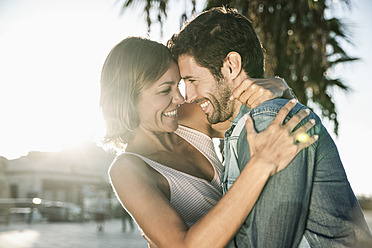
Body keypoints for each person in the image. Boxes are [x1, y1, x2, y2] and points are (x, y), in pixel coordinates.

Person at [167, 6, 372, 247]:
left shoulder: (270, 122)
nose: (188, 95)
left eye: (192, 80)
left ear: (231, 66)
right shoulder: (247, 125)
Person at [100, 37, 317, 247]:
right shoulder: (127, 170)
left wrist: (281, 89)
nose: (180, 98)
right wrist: (261, 164)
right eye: (165, 90)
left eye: (178, 85)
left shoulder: (189, 117)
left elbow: (263, 114)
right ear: (126, 99)